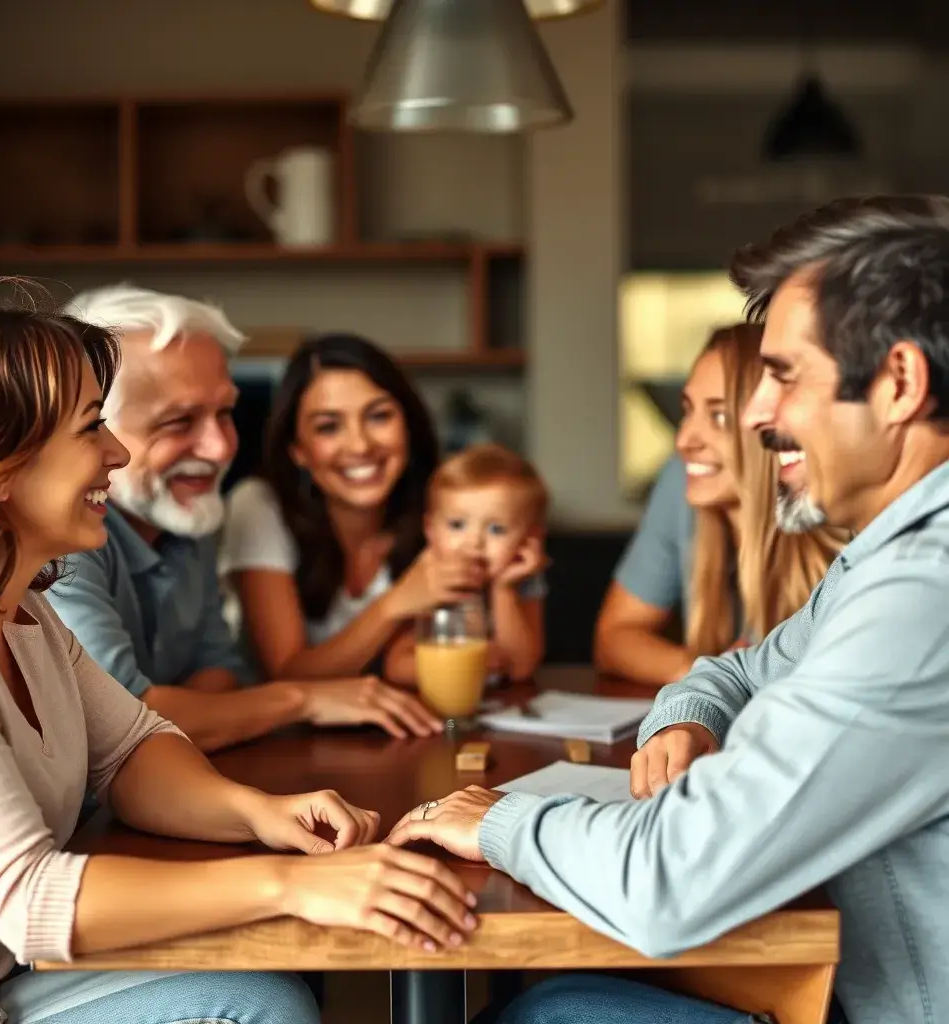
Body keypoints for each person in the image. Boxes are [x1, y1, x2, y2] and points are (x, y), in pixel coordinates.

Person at [383, 194, 949, 1024]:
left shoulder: (918, 597)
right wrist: (688, 722)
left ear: (899, 383)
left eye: (784, 376)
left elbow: (666, 881)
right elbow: (737, 669)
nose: (760, 414)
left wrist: (502, 820)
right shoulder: (886, 557)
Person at [0, 290, 478, 1024]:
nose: (115, 453)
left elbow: (132, 747)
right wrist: (286, 884)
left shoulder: (23, 610)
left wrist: (259, 814)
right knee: (261, 1005)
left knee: (265, 994)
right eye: (93, 428)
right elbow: (29, 898)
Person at [48, 287, 440, 752]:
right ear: (94, 427)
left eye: (226, 412)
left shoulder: (186, 519)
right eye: (178, 421)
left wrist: (185, 711)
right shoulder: (61, 539)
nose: (220, 449)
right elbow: (120, 722)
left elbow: (222, 674)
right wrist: (301, 700)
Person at [221, 333, 490, 682]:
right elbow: (288, 673)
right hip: (283, 734)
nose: (360, 445)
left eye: (378, 416)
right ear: (298, 450)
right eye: (329, 427)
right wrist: (397, 603)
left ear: (407, 424)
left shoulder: (445, 508)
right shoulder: (258, 504)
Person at [595, 322, 843, 686]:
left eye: (719, 416)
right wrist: (705, 675)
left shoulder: (840, 528)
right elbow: (613, 637)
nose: (684, 440)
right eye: (688, 410)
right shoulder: (683, 479)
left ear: (772, 423)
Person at [383, 444, 547, 685]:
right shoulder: (429, 579)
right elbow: (397, 666)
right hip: (443, 711)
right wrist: (461, 665)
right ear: (431, 530)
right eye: (457, 525)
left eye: (496, 529)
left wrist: (504, 591)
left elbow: (520, 668)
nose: (474, 542)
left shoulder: (524, 580)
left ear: (530, 538)